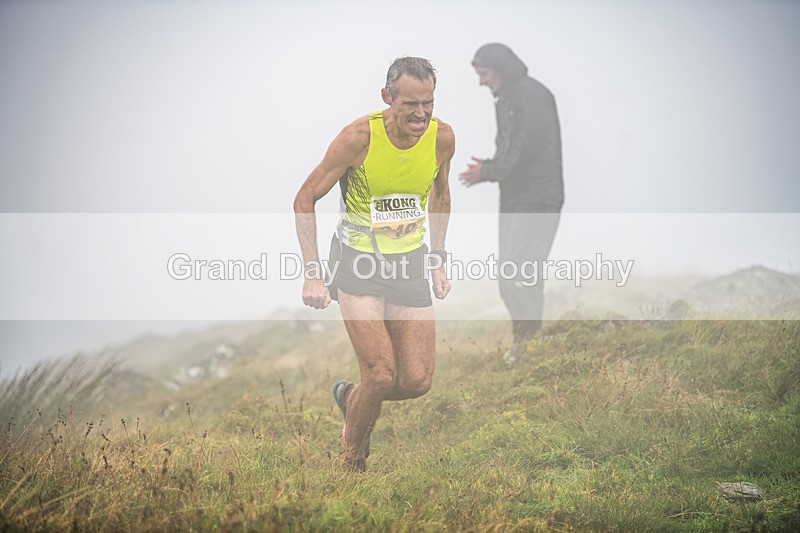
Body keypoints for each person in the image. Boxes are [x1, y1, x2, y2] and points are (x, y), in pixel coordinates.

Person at [293, 57, 454, 471]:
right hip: (357, 265)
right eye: (410, 104)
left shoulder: (442, 139)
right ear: (388, 97)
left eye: (428, 103)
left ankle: (350, 397)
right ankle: (352, 461)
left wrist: (437, 260)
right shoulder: (358, 138)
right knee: (381, 374)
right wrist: (313, 274)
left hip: (409, 265)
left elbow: (439, 195)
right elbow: (305, 199)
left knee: (416, 381)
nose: (420, 114)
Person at [459, 43, 563, 366]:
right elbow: (510, 149)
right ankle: (525, 343)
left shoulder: (531, 95)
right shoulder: (505, 99)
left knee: (522, 274)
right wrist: (490, 166)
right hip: (515, 199)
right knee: (509, 278)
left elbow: (525, 149)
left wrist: (487, 171)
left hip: (538, 200)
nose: (481, 82)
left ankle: (529, 346)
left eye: (484, 74)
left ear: (500, 69)